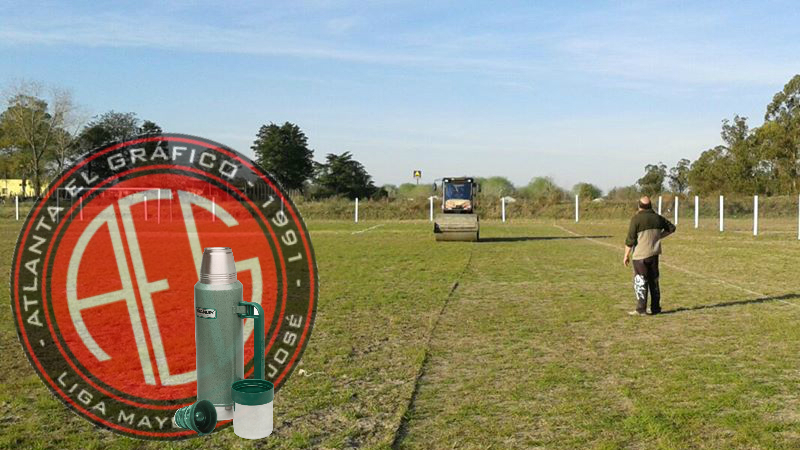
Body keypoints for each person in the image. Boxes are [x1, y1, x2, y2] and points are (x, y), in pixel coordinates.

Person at [623, 196, 676, 316]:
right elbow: (672, 228)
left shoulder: (636, 219)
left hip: (640, 256)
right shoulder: (657, 218)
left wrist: (626, 255)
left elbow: (630, 240)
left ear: (639, 206)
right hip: (654, 255)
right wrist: (659, 236)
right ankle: (656, 308)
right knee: (654, 281)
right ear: (650, 206)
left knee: (641, 281)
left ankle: (641, 309)